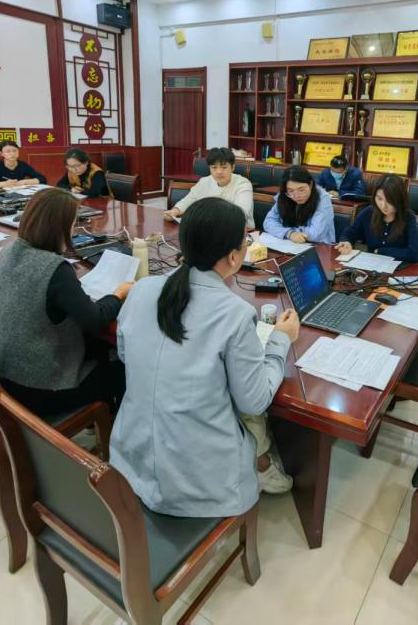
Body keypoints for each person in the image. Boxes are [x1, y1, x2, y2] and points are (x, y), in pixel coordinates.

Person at [111, 198, 300, 517]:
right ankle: (262, 466)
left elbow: (125, 353)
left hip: (131, 458)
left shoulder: (141, 290)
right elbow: (254, 401)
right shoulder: (235, 313)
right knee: (248, 409)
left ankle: (261, 461)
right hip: (194, 482)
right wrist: (281, 339)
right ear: (233, 256)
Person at [0, 189, 131, 416]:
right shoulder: (54, 268)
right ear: (58, 227)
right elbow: (95, 319)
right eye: (72, 224)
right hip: (42, 389)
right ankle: (113, 427)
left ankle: (100, 418)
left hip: (7, 377)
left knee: (99, 345)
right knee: (126, 369)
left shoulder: (9, 251)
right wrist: (118, 294)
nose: (74, 230)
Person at [335, 175, 418, 262]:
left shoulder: (408, 217)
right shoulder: (369, 212)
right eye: (379, 199)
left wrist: (380, 251)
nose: (384, 205)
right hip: (372, 264)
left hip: (399, 267)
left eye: (390, 200)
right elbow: (350, 232)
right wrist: (346, 241)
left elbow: (414, 254)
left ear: (400, 199)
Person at [164, 147, 254, 227]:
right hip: (208, 228)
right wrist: (176, 210)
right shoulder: (205, 181)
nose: (219, 172)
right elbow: (189, 200)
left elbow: (241, 215)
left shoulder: (243, 184)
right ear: (209, 168)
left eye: (224, 167)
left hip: (239, 231)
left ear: (233, 167)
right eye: (214, 167)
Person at [263, 166, 335, 243]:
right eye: (291, 191)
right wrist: (290, 233)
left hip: (319, 246)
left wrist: (283, 231)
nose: (296, 196)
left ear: (310, 184)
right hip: (289, 243)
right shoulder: (284, 195)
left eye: (301, 190)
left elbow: (316, 234)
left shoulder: (323, 198)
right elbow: (268, 222)